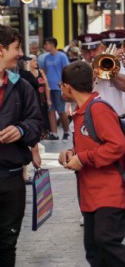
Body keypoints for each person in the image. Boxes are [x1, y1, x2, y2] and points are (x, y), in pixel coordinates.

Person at [58, 61, 125, 266]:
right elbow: (92, 144)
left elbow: (118, 145)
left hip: (109, 192)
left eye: (61, 85)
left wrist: (82, 159)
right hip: (90, 194)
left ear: (68, 87)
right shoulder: (80, 113)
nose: (61, 88)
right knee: (94, 251)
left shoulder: (98, 109)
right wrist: (71, 153)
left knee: (106, 243)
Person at [0, 25, 43, 266]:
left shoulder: (22, 86)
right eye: (16, 48)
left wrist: (21, 130)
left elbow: (37, 123)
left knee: (8, 242)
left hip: (12, 177)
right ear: (0, 49)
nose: (20, 54)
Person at [19, 54, 52, 183]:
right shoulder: (24, 75)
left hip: (40, 103)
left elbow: (46, 86)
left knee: (38, 129)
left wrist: (48, 99)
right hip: (30, 106)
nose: (36, 62)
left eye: (37, 60)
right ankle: (24, 172)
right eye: (34, 60)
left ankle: (26, 171)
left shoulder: (40, 72)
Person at [41, 37, 71, 141]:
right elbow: (44, 71)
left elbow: (66, 70)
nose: (45, 46)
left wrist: (64, 84)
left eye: (47, 44)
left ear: (52, 44)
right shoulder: (46, 58)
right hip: (49, 88)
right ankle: (54, 133)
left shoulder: (62, 56)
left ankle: (66, 131)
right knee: (51, 110)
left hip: (58, 88)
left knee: (61, 111)